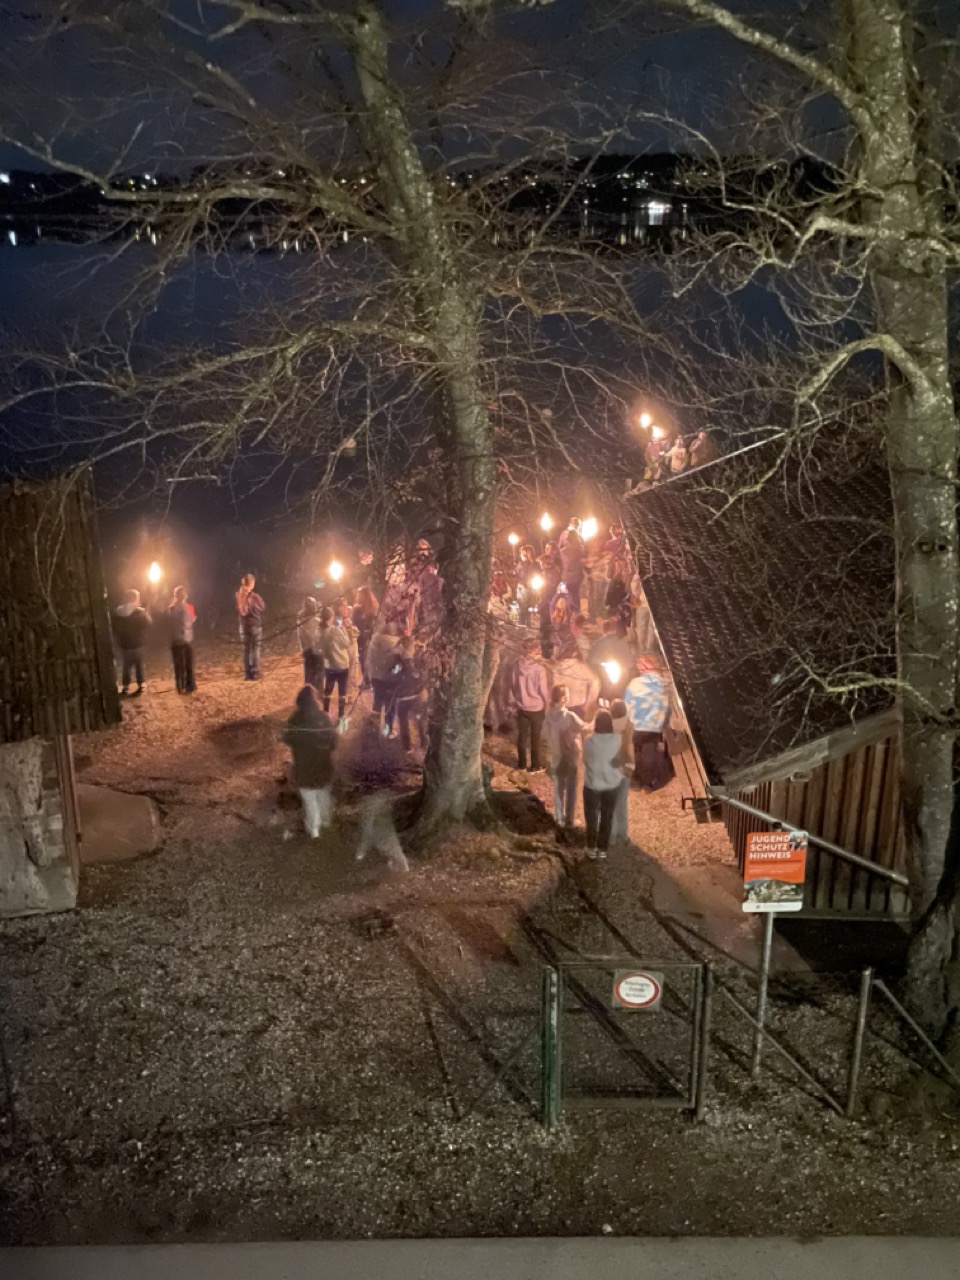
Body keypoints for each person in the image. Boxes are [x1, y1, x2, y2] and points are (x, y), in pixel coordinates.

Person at [282, 686, 338, 839]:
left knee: (310, 801)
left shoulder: (295, 720)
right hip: (323, 767)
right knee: (323, 795)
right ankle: (326, 822)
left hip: (305, 769)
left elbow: (287, 739)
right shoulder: (323, 718)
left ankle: (314, 830)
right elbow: (333, 742)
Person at [624, 656, 673, 791]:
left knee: (639, 753)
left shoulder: (635, 683)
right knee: (652, 754)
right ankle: (650, 782)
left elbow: (627, 705)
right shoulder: (665, 683)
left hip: (639, 726)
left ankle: (640, 780)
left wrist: (631, 718)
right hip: (657, 726)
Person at [543, 684, 587, 830]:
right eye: (567, 693)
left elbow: (544, 734)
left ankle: (558, 818)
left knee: (558, 788)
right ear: (562, 698)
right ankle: (569, 820)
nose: (569, 696)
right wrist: (598, 719)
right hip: (569, 757)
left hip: (555, 756)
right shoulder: (569, 716)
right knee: (571, 788)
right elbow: (585, 728)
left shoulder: (548, 715)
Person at [582, 710, 623, 859]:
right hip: (612, 783)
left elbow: (585, 760)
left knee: (591, 817)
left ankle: (591, 847)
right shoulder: (617, 739)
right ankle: (602, 849)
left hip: (593, 783)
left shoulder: (588, 741)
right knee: (607, 816)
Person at [510, 634, 551, 772]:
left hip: (522, 706)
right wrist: (547, 704)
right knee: (535, 737)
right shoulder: (539, 668)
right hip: (536, 707)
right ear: (536, 649)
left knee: (522, 736)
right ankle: (535, 765)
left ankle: (521, 764)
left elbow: (514, 684)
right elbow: (543, 690)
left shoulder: (516, 664)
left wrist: (517, 698)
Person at [366, 616, 404, 737]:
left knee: (377, 702)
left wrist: (370, 673)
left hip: (376, 676)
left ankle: (373, 728)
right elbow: (402, 662)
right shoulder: (398, 644)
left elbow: (369, 658)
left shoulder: (375, 639)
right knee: (390, 705)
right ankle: (388, 731)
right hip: (390, 679)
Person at [318, 605, 354, 728]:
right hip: (341, 665)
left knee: (328, 690)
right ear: (331, 617)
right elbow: (346, 643)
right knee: (342, 692)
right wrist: (344, 629)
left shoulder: (319, 630)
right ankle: (341, 716)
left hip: (329, 665)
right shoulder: (335, 630)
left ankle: (325, 714)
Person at [112, 589, 152, 696]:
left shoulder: (119, 612)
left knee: (127, 666)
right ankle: (141, 684)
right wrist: (146, 612)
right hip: (138, 643)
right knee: (139, 665)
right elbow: (148, 623)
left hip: (125, 644)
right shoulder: (139, 612)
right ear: (135, 599)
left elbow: (115, 627)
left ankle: (125, 686)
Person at [609, 698, 635, 847]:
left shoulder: (606, 725)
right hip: (624, 766)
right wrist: (632, 765)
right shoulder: (628, 725)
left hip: (611, 768)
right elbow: (630, 745)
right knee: (622, 802)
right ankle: (623, 834)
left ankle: (611, 836)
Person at [588, 618, 634, 703]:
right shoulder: (623, 643)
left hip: (605, 680)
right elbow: (631, 663)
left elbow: (591, 661)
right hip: (623, 680)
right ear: (615, 630)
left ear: (603, 631)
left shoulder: (598, 643)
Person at [393, 634, 425, 752]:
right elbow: (420, 677)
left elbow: (393, 675)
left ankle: (407, 746)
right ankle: (423, 742)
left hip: (403, 697)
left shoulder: (398, 662)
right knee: (419, 720)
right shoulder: (415, 661)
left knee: (404, 722)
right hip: (414, 695)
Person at [553, 641, 600, 719]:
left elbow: (555, 689)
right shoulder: (582, 667)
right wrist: (589, 702)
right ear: (575, 653)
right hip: (579, 707)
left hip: (564, 707)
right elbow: (595, 682)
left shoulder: (558, 668)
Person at [235, 573, 265, 681]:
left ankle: (247, 673)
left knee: (246, 650)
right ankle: (255, 671)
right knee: (255, 648)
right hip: (254, 624)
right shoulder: (254, 596)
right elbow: (262, 606)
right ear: (251, 583)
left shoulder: (238, 595)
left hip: (243, 626)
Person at [168, 585, 197, 695]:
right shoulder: (189, 607)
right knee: (189, 663)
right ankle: (190, 685)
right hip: (187, 638)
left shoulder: (171, 608)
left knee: (178, 664)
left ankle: (179, 686)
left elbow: (169, 621)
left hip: (175, 639)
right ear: (185, 595)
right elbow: (191, 620)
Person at [352, 585, 380, 688]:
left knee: (363, 659)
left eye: (359, 594)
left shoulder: (358, 609)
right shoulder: (374, 608)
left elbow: (355, 623)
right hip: (371, 637)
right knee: (369, 659)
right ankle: (370, 680)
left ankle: (367, 681)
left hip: (362, 637)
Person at [557, 518, 585, 613]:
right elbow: (560, 549)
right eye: (573, 523)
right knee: (566, 595)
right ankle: (567, 614)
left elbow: (582, 552)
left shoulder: (579, 538)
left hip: (576, 573)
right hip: (566, 573)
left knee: (574, 595)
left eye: (576, 524)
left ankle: (575, 614)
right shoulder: (564, 535)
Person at [297, 596, 323, 693]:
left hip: (307, 649)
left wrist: (302, 647)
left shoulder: (301, 620)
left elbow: (300, 635)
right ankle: (318, 694)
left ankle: (309, 694)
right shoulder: (316, 621)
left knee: (308, 673)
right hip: (316, 650)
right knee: (318, 673)